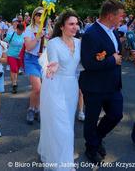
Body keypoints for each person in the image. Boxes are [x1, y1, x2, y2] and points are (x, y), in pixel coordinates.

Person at [79, 0, 124, 164]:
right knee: (91, 119)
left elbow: (116, 53)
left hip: (113, 85)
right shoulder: (91, 34)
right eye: (120, 16)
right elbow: (88, 63)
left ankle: (96, 139)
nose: (122, 19)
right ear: (110, 16)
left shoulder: (114, 31)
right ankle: (91, 148)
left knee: (116, 114)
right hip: (94, 86)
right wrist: (113, 60)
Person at [38, 10, 81, 171]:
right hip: (54, 86)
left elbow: (84, 64)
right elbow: (53, 60)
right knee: (62, 127)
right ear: (62, 26)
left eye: (76, 24)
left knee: (67, 125)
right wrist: (54, 65)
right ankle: (63, 166)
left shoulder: (79, 43)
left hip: (71, 88)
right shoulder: (53, 43)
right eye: (71, 24)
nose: (75, 27)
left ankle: (54, 153)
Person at [24, 7, 46, 124]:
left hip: (44, 61)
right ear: (34, 16)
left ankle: (37, 109)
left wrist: (45, 52)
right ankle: (31, 109)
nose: (40, 16)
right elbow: (28, 47)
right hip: (31, 60)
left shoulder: (48, 29)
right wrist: (38, 37)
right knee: (37, 88)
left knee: (41, 90)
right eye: (38, 14)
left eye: (43, 14)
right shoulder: (29, 29)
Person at [4, 23, 25, 93]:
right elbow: (4, 41)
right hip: (11, 54)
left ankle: (15, 81)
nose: (20, 32)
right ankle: (14, 84)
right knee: (13, 69)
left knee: (16, 70)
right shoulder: (11, 34)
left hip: (19, 56)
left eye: (22, 31)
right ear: (17, 29)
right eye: (19, 30)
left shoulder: (24, 36)